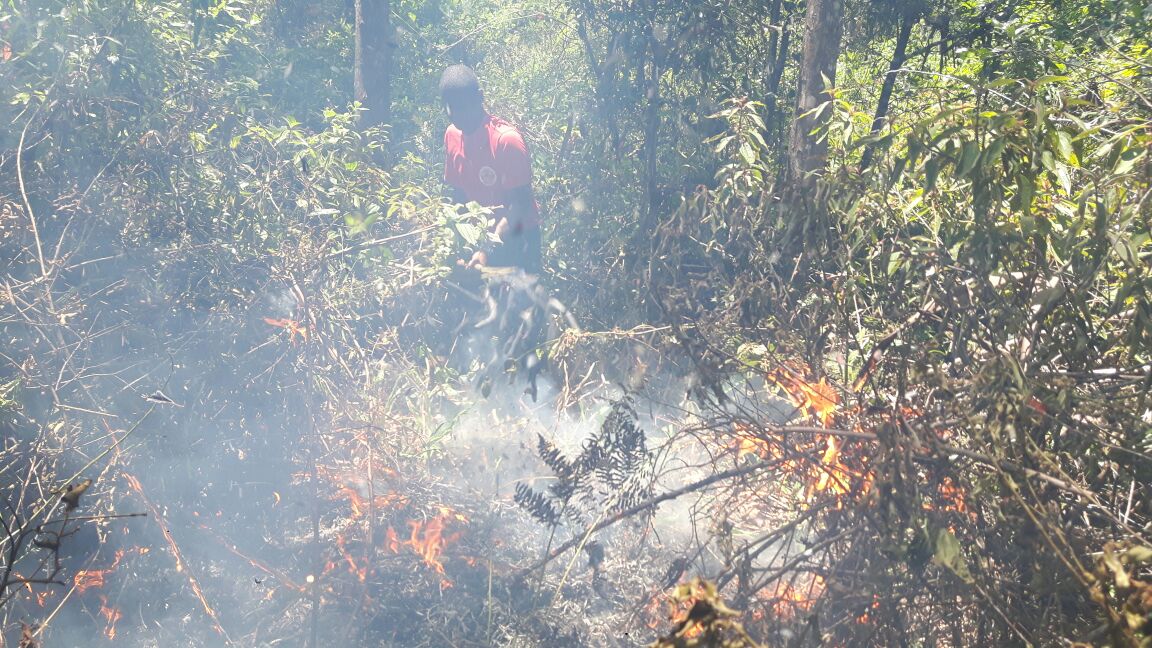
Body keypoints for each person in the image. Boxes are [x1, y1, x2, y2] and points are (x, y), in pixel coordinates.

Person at [440, 64, 542, 274]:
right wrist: (456, 248)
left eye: (464, 107)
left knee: (520, 304)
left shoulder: (506, 141)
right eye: (452, 110)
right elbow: (456, 197)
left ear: (480, 97)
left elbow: (520, 205)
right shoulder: (452, 135)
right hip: (480, 240)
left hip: (519, 240)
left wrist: (487, 250)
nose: (459, 116)